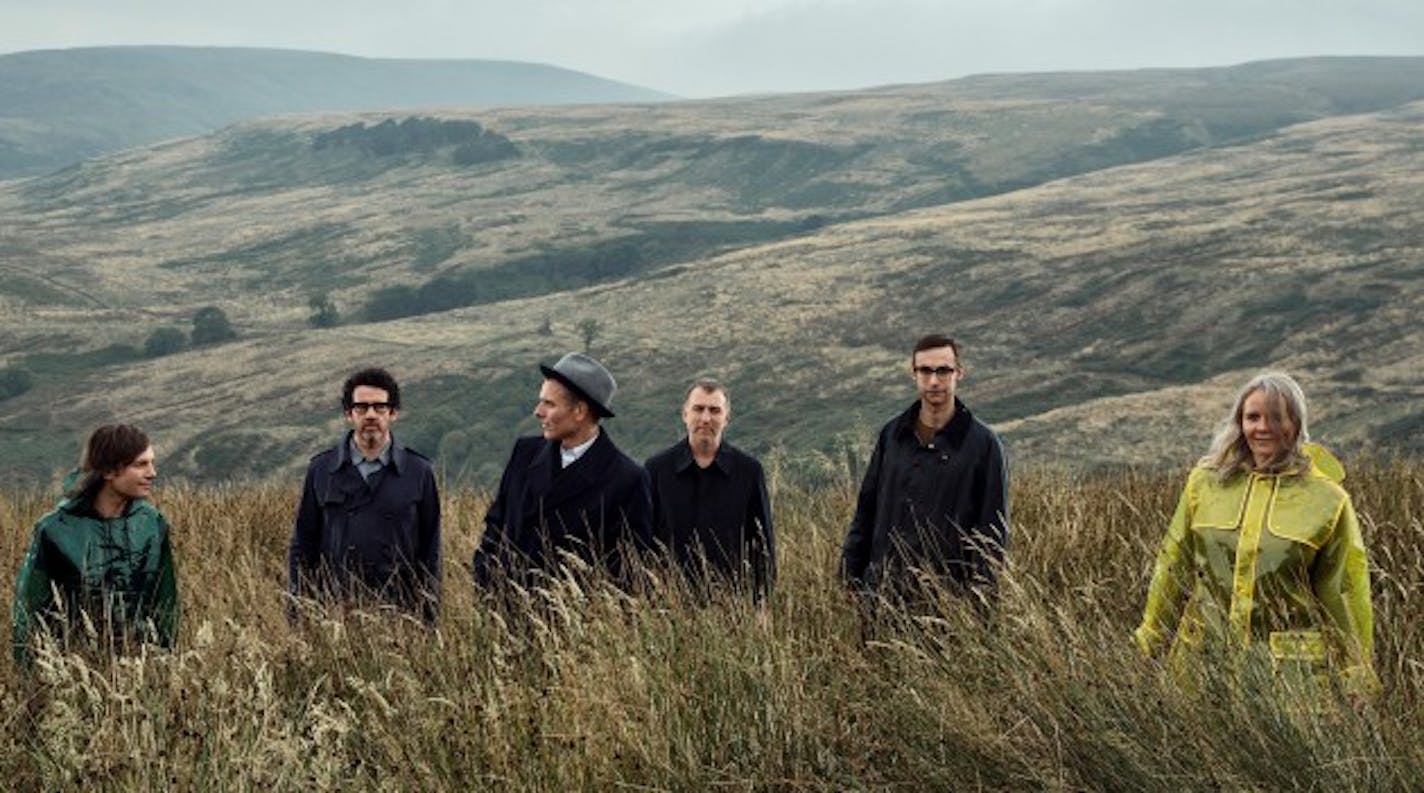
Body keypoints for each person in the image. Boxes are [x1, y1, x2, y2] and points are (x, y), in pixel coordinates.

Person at [1134, 372, 1376, 695]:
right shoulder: (1204, 483)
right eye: (1253, 417)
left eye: (1277, 417)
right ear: (1239, 422)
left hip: (1290, 680)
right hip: (1201, 667)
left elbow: (1344, 591)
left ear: (1296, 424)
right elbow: (1173, 565)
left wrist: (1356, 672)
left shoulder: (1328, 500)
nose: (1263, 428)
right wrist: (1150, 639)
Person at [841, 334, 1009, 611]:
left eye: (943, 370)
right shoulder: (892, 436)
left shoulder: (983, 445)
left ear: (959, 373)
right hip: (883, 597)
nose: (934, 381)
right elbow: (867, 509)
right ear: (914, 374)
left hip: (948, 604)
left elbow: (992, 532)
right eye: (926, 371)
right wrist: (851, 573)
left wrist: (980, 604)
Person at [473, 352, 652, 589]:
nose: (538, 411)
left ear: (579, 411)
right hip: (505, 611)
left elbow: (629, 569)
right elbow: (496, 523)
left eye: (549, 404)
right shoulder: (524, 453)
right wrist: (485, 577)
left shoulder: (627, 479)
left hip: (574, 619)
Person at [12, 424, 178, 667]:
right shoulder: (55, 529)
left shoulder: (152, 525)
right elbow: (30, 607)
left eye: (152, 462)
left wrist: (165, 662)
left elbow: (165, 601)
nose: (152, 472)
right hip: (73, 668)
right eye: (141, 464)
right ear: (109, 471)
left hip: (139, 667)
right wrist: (30, 676)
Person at [288, 367, 441, 624]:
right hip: (335, 615)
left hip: (400, 616)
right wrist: (298, 615)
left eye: (379, 407)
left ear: (393, 413)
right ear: (349, 414)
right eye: (361, 407)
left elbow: (431, 552)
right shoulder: (321, 470)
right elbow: (303, 547)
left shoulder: (419, 471)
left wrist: (429, 621)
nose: (370, 415)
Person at [645, 379, 775, 600]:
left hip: (733, 603)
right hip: (668, 604)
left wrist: (761, 602)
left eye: (715, 410)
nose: (706, 418)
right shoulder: (656, 469)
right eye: (698, 409)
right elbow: (642, 540)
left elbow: (763, 544)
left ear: (727, 418)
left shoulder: (749, 471)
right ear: (685, 414)